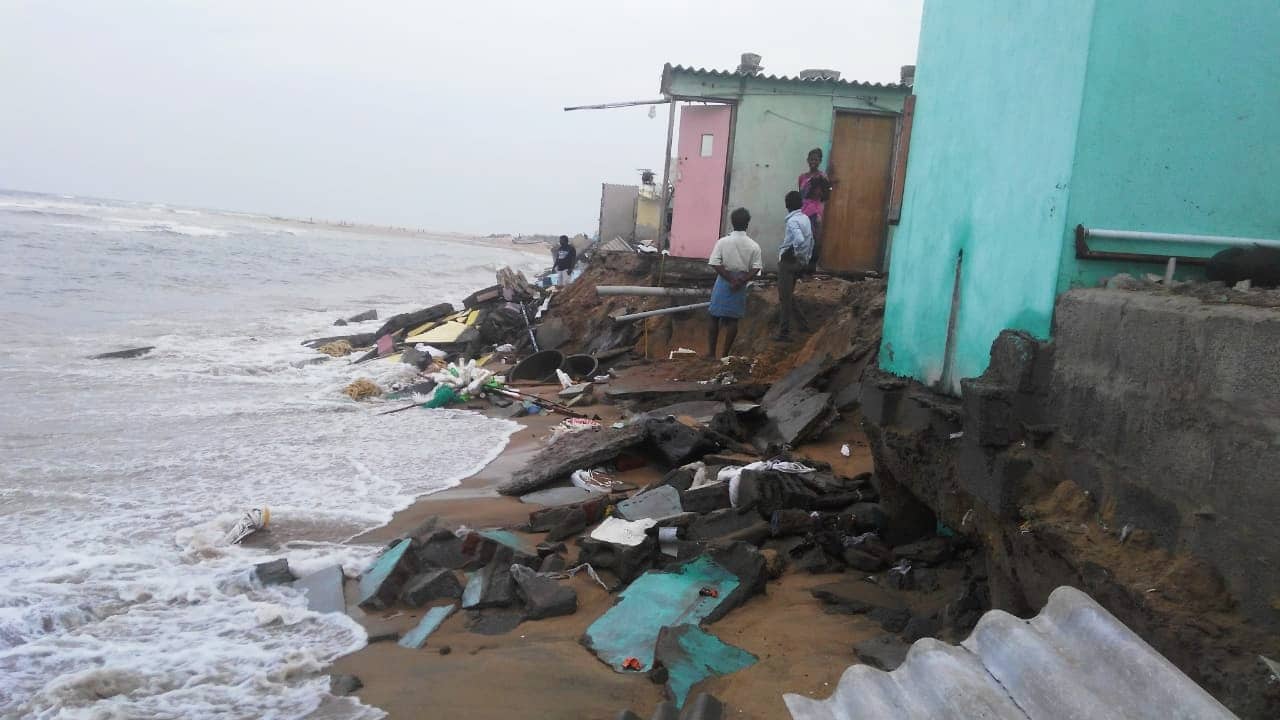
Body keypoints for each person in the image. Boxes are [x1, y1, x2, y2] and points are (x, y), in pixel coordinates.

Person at [706, 208, 762, 358]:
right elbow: (757, 267)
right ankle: (725, 355)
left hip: (724, 279)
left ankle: (711, 354)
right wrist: (741, 280)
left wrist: (730, 279)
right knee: (733, 319)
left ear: (732, 222)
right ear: (747, 224)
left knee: (714, 316)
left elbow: (714, 263)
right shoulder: (754, 246)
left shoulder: (723, 242)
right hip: (741, 283)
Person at [776, 190, 814, 340]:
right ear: (801, 204)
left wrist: (792, 252)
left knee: (784, 299)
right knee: (788, 296)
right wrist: (805, 259)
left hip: (788, 262)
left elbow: (798, 239)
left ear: (787, 205)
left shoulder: (792, 221)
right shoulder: (805, 218)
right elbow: (811, 240)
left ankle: (784, 333)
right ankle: (803, 326)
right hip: (798, 263)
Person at [797, 148, 832, 271]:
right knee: (802, 237)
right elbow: (800, 194)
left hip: (815, 209)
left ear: (820, 161)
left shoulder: (822, 177)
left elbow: (826, 195)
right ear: (807, 160)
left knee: (815, 237)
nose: (813, 162)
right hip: (803, 209)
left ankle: (811, 267)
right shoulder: (802, 177)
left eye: (816, 160)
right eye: (811, 159)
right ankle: (800, 266)